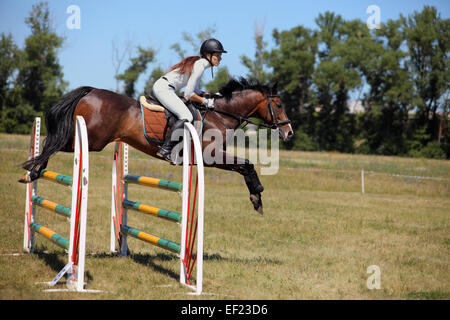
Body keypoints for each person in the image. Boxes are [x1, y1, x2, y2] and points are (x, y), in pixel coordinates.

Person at [153, 38, 227, 162]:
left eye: (220, 56)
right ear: (208, 55)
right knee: (187, 116)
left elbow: (195, 89)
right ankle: (166, 149)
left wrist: (210, 95)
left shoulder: (200, 63)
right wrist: (204, 101)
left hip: (165, 87)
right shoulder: (200, 65)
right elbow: (188, 94)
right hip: (164, 89)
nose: (220, 58)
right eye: (217, 56)